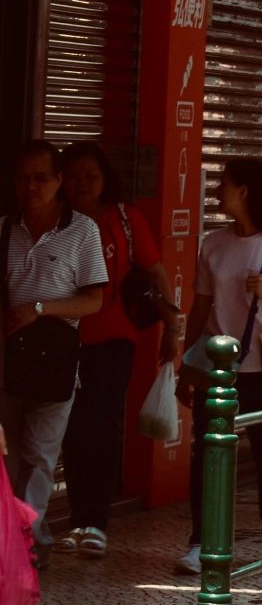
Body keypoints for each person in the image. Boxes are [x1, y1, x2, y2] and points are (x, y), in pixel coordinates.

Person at [179, 157, 262, 575]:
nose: (218, 191)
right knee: (207, 455)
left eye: (225, 183)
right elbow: (200, 306)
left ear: (245, 191)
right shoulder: (213, 243)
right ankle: (201, 541)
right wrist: (187, 363)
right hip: (217, 371)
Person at [60, 142, 177, 559]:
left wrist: (173, 324)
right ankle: (76, 518)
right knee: (70, 430)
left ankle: (95, 521)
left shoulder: (124, 219)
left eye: (91, 175)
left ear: (106, 179)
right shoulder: (56, 221)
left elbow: (156, 270)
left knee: (100, 426)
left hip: (114, 341)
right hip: (61, 341)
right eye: (74, 175)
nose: (82, 184)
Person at [7, 140, 110, 561]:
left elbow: (94, 300)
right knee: (10, 454)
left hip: (56, 357)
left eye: (41, 178)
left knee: (41, 454)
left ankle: (24, 541)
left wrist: (39, 308)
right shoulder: (3, 229)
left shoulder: (82, 230)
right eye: (23, 178)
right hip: (8, 358)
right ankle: (30, 535)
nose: (32, 187)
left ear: (58, 181)